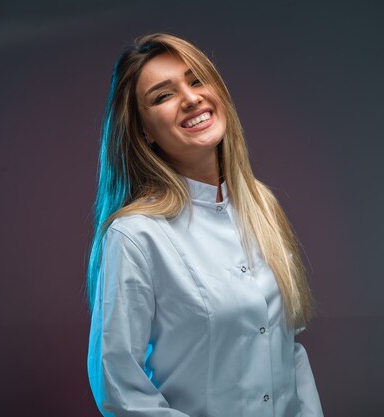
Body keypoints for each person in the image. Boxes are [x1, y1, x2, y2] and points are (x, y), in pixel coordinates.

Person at [85, 32, 325, 417]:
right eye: (163, 96)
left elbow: (287, 351)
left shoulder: (262, 206)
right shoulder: (135, 236)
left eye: (196, 79)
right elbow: (120, 390)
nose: (191, 98)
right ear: (144, 131)